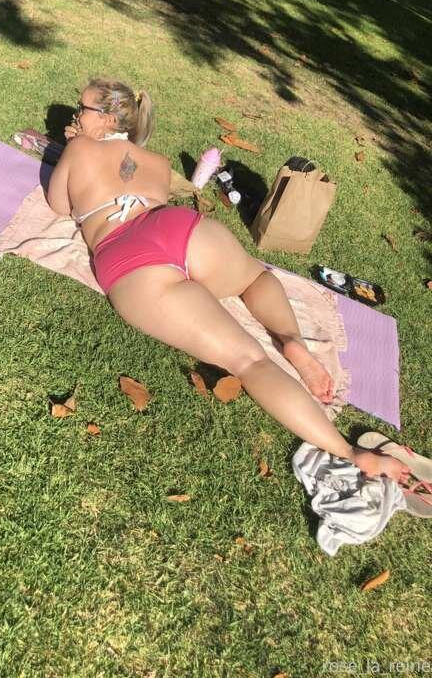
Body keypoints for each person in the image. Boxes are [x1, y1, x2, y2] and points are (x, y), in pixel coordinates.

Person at [47, 77, 408, 484]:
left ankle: (349, 452)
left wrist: (74, 146)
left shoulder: (79, 148)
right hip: (178, 228)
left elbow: (58, 204)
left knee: (248, 361)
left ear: (107, 119)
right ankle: (292, 339)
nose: (76, 115)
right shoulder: (159, 163)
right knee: (255, 278)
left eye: (82, 109)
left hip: (130, 254)